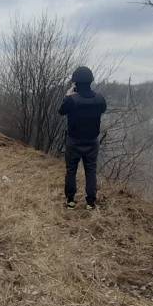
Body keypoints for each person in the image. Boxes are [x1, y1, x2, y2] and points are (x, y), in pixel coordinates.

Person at [58, 66, 106, 210]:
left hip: (74, 141)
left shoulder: (72, 100)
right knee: (91, 171)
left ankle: (71, 201)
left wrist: (68, 95)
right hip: (92, 141)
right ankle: (90, 203)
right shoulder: (100, 99)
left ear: (75, 83)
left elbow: (61, 111)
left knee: (71, 170)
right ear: (91, 81)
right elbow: (103, 110)